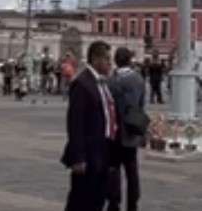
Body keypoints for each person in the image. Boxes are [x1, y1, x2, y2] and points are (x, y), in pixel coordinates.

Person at [62, 41, 118, 211]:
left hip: (103, 150)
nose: (110, 64)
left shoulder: (103, 84)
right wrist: (78, 157)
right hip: (88, 152)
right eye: (107, 59)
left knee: (97, 198)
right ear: (95, 59)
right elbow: (75, 123)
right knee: (81, 200)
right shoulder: (82, 84)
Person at [106, 46, 147, 211]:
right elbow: (142, 104)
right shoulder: (139, 79)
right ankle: (133, 203)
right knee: (132, 171)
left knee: (113, 168)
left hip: (116, 131)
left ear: (116, 60)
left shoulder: (112, 81)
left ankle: (114, 202)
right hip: (133, 128)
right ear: (130, 60)